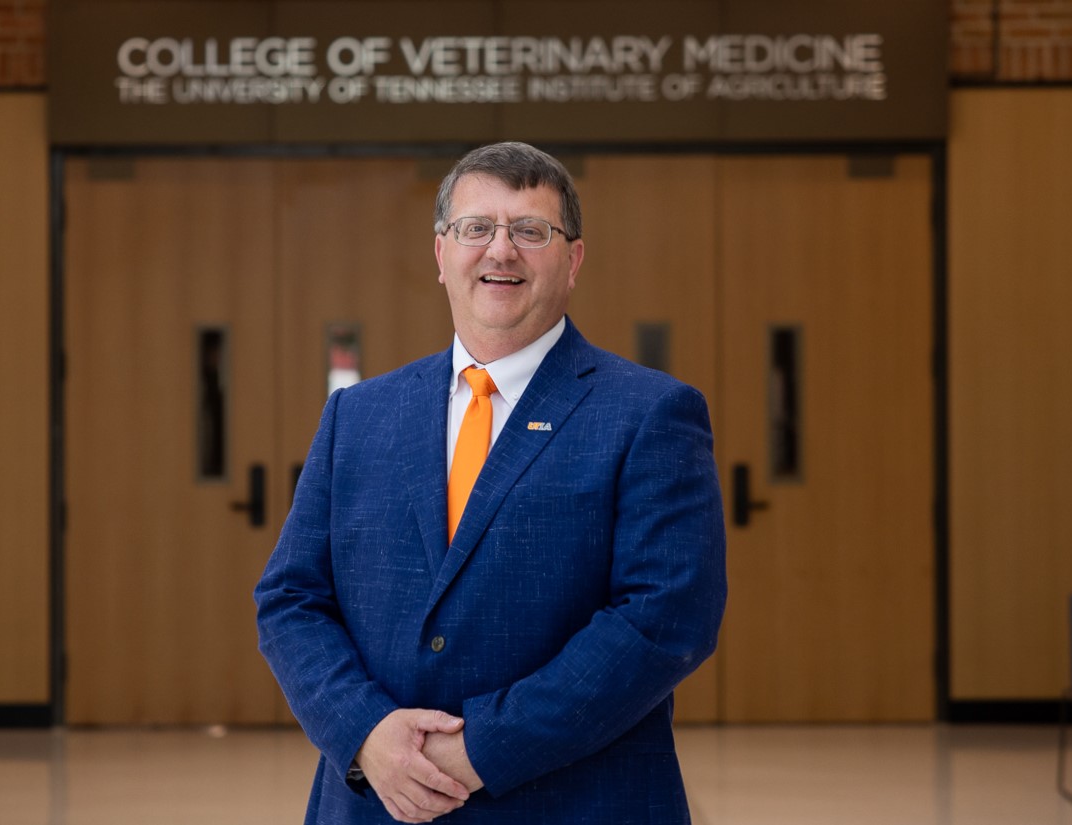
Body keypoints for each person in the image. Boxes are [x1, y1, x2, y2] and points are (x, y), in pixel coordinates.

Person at [254, 141, 726, 824]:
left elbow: (666, 617)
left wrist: (484, 747)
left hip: (577, 803)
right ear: (441, 253)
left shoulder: (649, 413)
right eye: (476, 228)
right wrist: (366, 732)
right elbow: (290, 597)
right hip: (376, 801)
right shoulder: (358, 415)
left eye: (531, 231)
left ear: (574, 259)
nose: (500, 250)